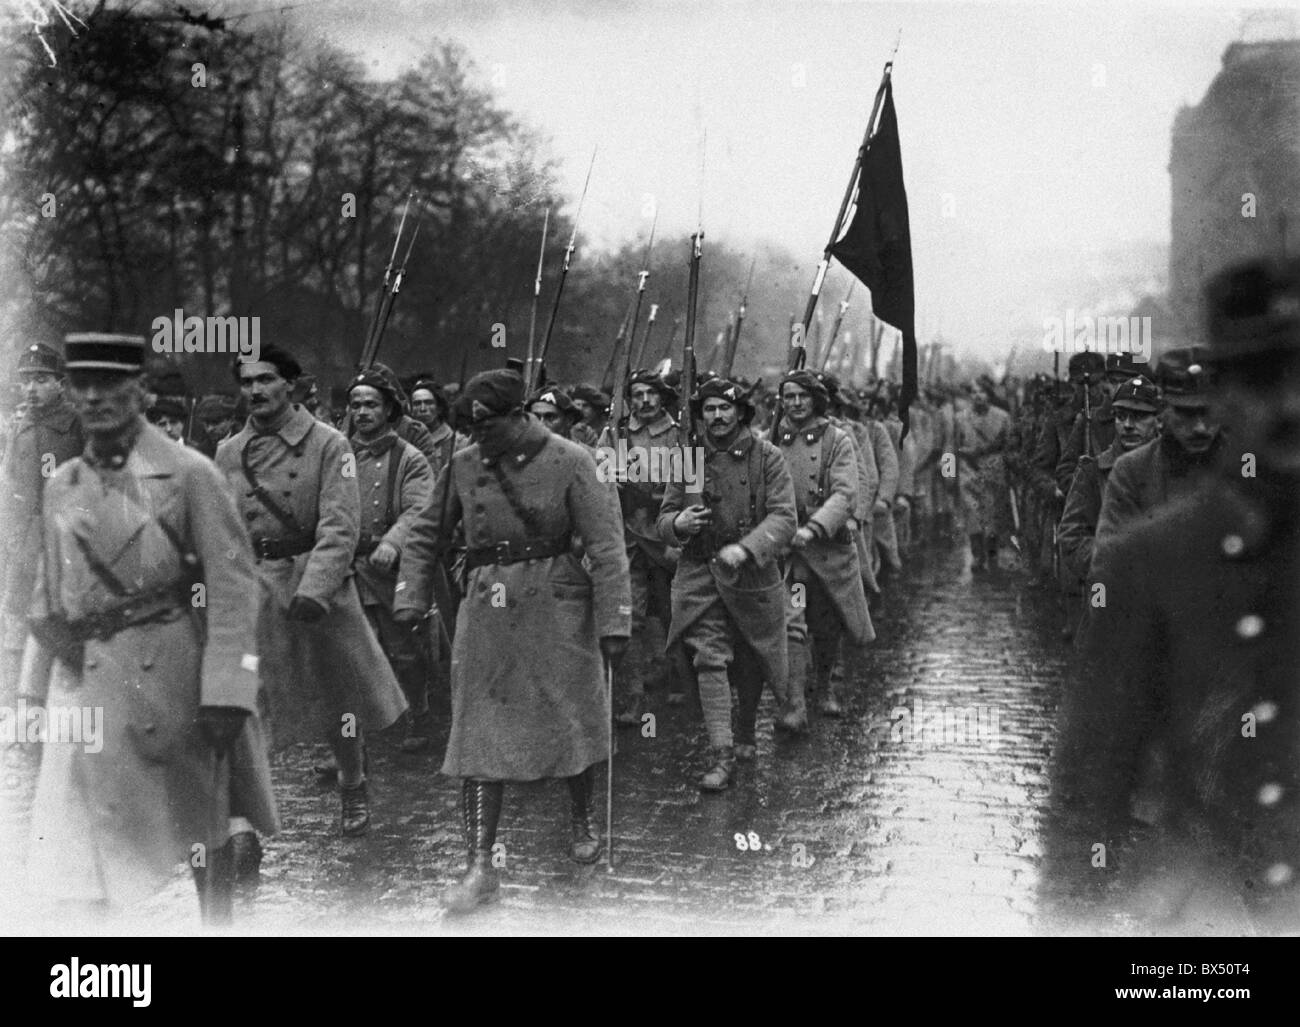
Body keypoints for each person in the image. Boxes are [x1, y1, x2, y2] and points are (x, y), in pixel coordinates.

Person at [1057, 256, 1300, 932]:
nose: (1290, 405)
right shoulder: (1148, 555)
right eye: (1261, 380)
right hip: (1196, 879)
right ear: (1226, 397)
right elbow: (1087, 806)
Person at [22, 333, 276, 925]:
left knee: (200, 831)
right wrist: (33, 690)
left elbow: (237, 592)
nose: (92, 399)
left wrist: (228, 692)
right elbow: (47, 593)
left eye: (108, 386)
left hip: (171, 674)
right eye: (81, 386)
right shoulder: (63, 483)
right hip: (85, 682)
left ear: (138, 390)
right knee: (78, 848)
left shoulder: (191, 475)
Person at [393, 368, 631, 913]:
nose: (481, 440)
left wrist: (615, 622)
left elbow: (608, 546)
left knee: (567, 713)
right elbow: (427, 530)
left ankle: (581, 817)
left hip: (557, 601)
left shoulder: (574, 460)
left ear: (518, 415)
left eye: (489, 428)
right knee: (478, 728)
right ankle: (480, 866)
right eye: (473, 431)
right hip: (486, 607)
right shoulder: (463, 463)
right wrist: (410, 594)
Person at [215, 345, 407, 839]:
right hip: (258, 583)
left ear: (290, 385)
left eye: (266, 379)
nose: (255, 390)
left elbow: (342, 525)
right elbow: (226, 530)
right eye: (247, 382)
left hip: (316, 584)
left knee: (337, 698)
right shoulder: (228, 452)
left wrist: (317, 588)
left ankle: (352, 781)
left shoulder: (329, 445)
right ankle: (242, 822)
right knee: (249, 700)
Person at [658, 377, 797, 787]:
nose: (717, 417)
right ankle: (721, 754)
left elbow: (784, 517)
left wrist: (747, 548)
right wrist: (679, 523)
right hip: (701, 572)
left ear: (740, 412)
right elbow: (664, 518)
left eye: (725, 408)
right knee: (708, 656)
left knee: (752, 653)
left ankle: (747, 727)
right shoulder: (690, 458)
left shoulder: (766, 457)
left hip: (750, 573)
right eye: (709, 410)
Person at [345, 370, 437, 753]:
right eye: (356, 405)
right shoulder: (338, 452)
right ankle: (349, 742)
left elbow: (420, 507)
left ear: (389, 409)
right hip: (348, 567)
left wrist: (393, 542)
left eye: (371, 404)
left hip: (389, 569)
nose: (362, 412)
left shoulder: (408, 457)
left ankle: (419, 712)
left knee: (402, 649)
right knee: (348, 654)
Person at [774, 371, 873, 719]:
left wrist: (815, 526)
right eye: (788, 397)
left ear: (816, 399)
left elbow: (846, 492)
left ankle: (826, 686)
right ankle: (795, 702)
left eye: (802, 396)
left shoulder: (837, 440)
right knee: (793, 621)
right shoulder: (772, 438)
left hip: (826, 550)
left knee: (826, 624)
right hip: (790, 554)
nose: (795, 403)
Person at [600, 369, 687, 725]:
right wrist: (613, 477)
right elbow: (600, 484)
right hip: (629, 537)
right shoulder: (615, 434)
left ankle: (680, 676)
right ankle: (633, 696)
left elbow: (691, 487)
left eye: (651, 394)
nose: (645, 401)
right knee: (631, 617)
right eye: (637, 395)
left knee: (674, 613)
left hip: (668, 535)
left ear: (662, 397)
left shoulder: (680, 434)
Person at [0, 343, 82, 696]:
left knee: (59, 628)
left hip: (66, 547)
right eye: (26, 380)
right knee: (16, 625)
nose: (31, 388)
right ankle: (16, 715)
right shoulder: (19, 427)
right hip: (22, 547)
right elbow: (9, 486)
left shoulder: (77, 424)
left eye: (41, 379)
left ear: (60, 383)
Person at [1092, 346, 1226, 557]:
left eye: (1208, 412)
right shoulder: (1131, 471)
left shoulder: (1249, 462)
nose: (1200, 427)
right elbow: (1110, 556)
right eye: (1186, 413)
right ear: (1162, 409)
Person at [1057, 374, 1161, 581]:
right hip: (1109, 586)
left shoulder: (1174, 468)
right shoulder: (1093, 470)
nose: (1128, 425)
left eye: (1139, 416)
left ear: (1158, 420)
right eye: (1121, 416)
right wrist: (1107, 563)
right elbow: (1071, 535)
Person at [955, 381, 1012, 570]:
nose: (978, 396)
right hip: (968, 470)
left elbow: (1010, 446)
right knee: (972, 515)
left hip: (993, 470)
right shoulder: (961, 418)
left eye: (982, 392)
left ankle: (992, 554)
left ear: (989, 395)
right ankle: (977, 555)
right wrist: (948, 475)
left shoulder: (1002, 417)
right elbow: (950, 447)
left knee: (992, 514)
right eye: (974, 392)